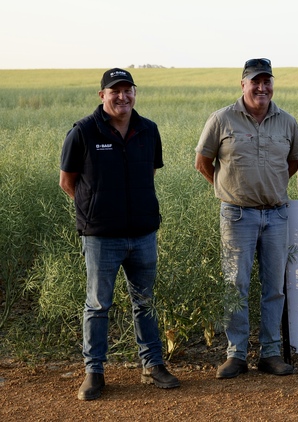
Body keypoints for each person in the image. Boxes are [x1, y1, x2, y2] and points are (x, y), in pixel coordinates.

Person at [60, 68, 180, 400]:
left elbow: (150, 171)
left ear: (134, 94)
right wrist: (97, 213)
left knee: (145, 302)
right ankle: (94, 372)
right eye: (115, 91)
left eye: (128, 90)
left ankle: (152, 365)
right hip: (101, 238)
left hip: (142, 234)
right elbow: (67, 182)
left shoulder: (148, 130)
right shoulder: (83, 132)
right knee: (98, 305)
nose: (122, 96)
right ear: (103, 96)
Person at [195, 58, 298, 379]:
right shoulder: (222, 119)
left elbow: (294, 163)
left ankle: (270, 353)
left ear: (272, 84)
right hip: (237, 215)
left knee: (275, 288)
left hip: (276, 214)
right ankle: (236, 354)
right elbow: (203, 162)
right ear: (243, 84)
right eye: (255, 81)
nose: (262, 87)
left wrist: (268, 187)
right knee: (236, 285)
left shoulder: (287, 121)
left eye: (267, 81)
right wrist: (228, 189)